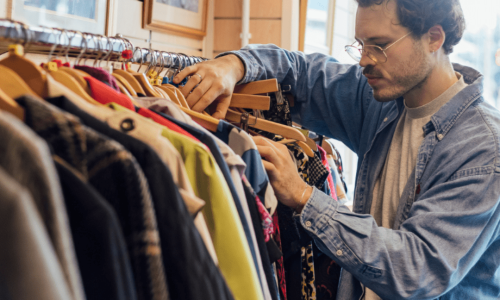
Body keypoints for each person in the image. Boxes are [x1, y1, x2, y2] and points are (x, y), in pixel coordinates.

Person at [173, 0, 500, 299]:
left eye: (380, 46)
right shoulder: (383, 99)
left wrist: (303, 195)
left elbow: (415, 270)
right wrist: (233, 65)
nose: (365, 60)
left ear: (434, 38)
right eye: (361, 44)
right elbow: (300, 72)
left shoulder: (484, 148)